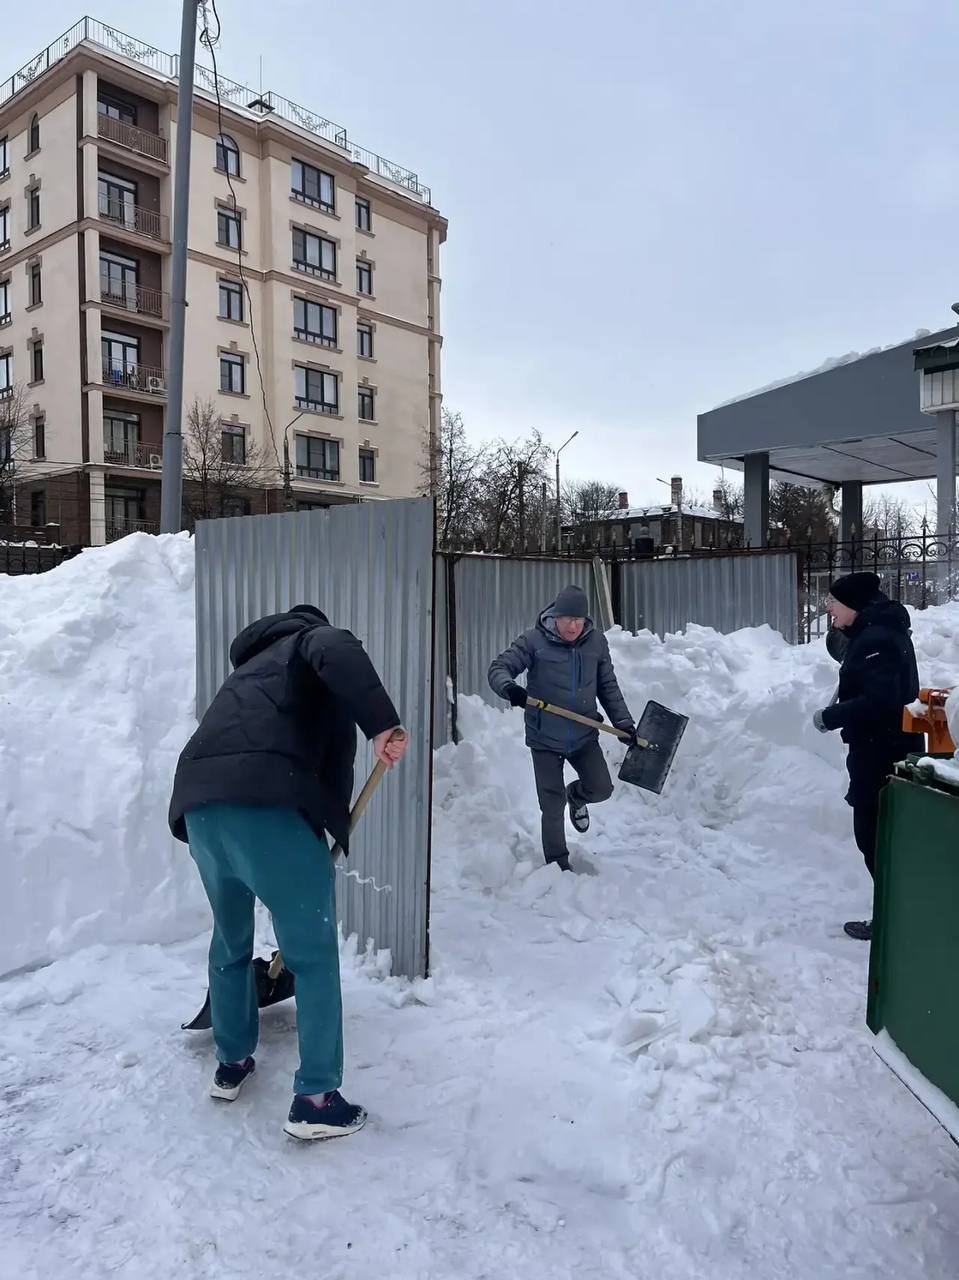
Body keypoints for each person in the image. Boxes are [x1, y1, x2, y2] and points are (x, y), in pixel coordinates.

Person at [168, 604, 407, 1141]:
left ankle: (231, 1063)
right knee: (313, 956)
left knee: (229, 939)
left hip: (201, 809)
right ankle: (317, 1097)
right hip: (266, 807)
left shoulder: (248, 672)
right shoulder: (310, 642)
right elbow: (337, 648)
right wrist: (382, 723)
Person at [488, 585, 635, 871]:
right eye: (567, 619)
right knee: (551, 806)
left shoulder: (596, 643)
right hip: (544, 736)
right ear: (555, 616)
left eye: (579, 620)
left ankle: (576, 796)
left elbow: (607, 686)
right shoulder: (534, 641)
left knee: (602, 788)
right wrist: (510, 689)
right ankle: (558, 864)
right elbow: (498, 668)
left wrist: (624, 723)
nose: (573, 626)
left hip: (583, 734)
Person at [812, 572, 922, 942]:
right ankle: (897, 914)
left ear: (854, 605)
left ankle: (895, 919)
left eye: (834, 603)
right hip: (881, 747)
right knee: (878, 838)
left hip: (882, 750)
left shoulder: (877, 638)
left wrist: (831, 717)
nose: (829, 609)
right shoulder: (877, 632)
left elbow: (880, 701)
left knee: (875, 838)